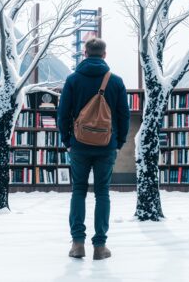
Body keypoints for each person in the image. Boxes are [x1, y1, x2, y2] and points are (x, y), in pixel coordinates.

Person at [57, 37, 130, 260]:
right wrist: (118, 143)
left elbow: (63, 114)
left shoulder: (73, 80)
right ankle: (100, 247)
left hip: (79, 145)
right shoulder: (116, 81)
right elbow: (123, 116)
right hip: (106, 146)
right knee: (102, 194)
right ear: (104, 55)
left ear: (85, 54)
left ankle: (77, 244)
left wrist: (68, 140)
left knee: (78, 191)